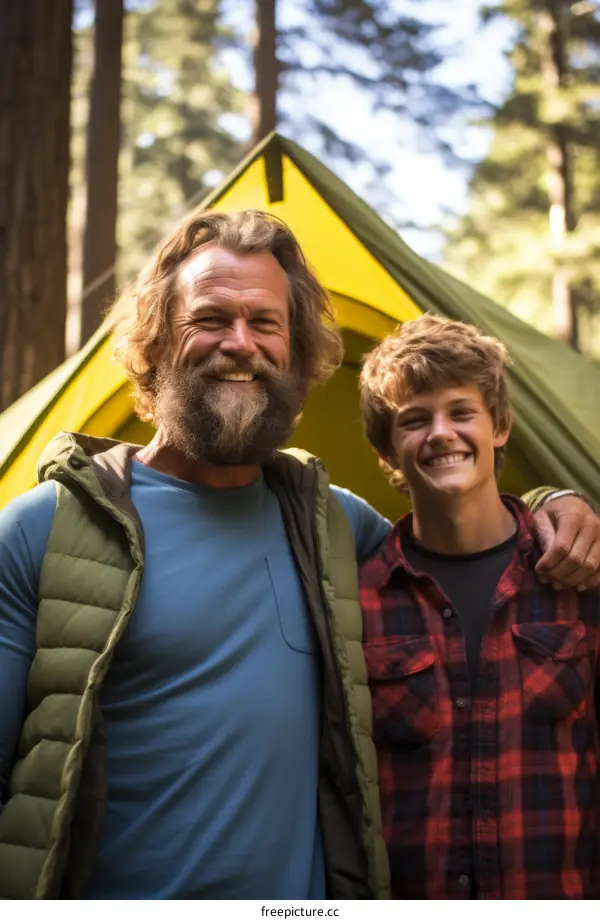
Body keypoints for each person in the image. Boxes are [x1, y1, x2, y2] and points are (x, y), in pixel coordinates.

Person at [0, 211, 597, 900]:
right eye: (211, 319)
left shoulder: (335, 527)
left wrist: (562, 502)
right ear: (160, 338)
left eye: (266, 323)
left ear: (296, 347)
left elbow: (461, 530)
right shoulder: (44, 531)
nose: (240, 344)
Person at [359, 314, 600, 900]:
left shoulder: (579, 574)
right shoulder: (355, 597)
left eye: (461, 412)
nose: (441, 433)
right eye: (415, 421)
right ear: (389, 450)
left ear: (501, 427)